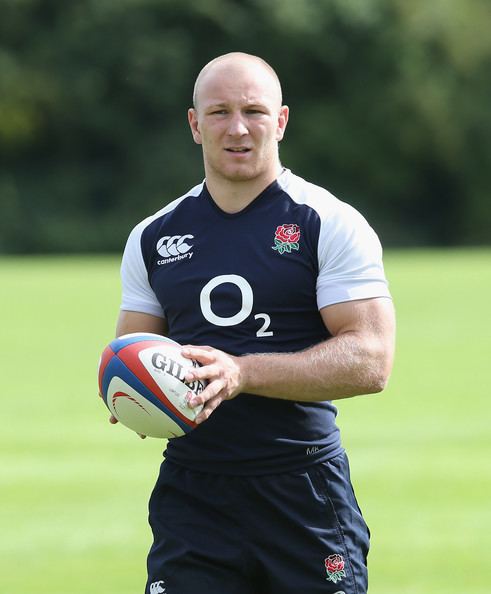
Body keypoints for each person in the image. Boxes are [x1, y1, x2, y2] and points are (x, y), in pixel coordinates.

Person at [113, 51, 396, 594]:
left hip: (302, 490)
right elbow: (132, 349)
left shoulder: (327, 223)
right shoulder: (152, 237)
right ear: (195, 126)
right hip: (193, 495)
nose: (237, 127)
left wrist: (241, 373)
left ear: (282, 120)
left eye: (254, 111)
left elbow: (371, 360)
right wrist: (126, 388)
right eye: (218, 112)